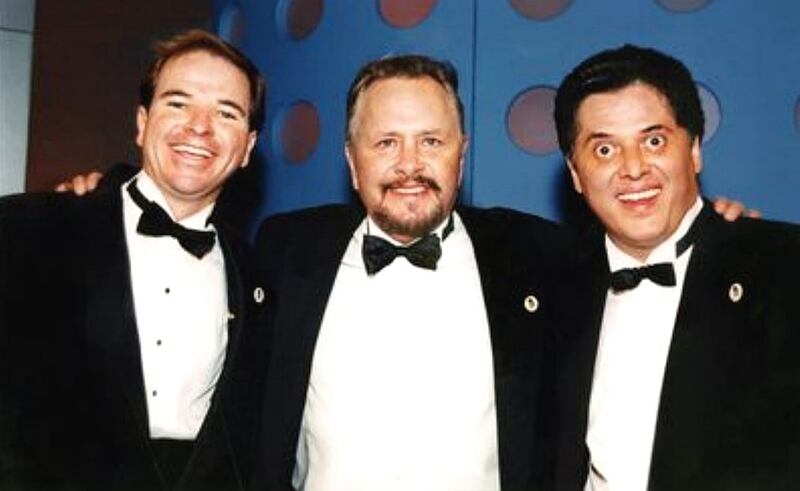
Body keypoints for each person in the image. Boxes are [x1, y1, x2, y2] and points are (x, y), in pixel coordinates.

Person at [247, 54, 570, 491]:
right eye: (386, 143)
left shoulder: (535, 256)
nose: (410, 165)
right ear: (352, 161)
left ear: (461, 155)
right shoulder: (287, 251)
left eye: (431, 142)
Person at [0, 30, 268, 491]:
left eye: (226, 113)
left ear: (247, 147)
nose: (199, 127)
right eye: (178, 103)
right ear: (142, 123)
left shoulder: (256, 275)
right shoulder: (28, 228)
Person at [551, 44, 800, 490]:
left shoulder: (782, 269)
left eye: (653, 141)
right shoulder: (551, 289)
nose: (633, 169)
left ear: (695, 150)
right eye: (604, 149)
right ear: (575, 173)